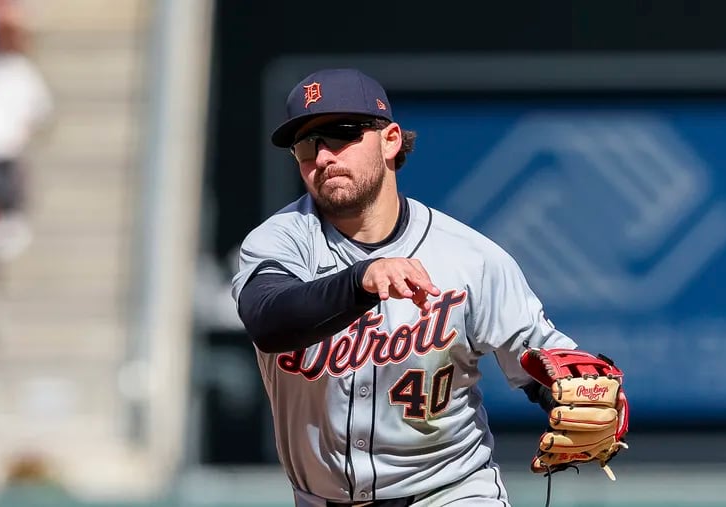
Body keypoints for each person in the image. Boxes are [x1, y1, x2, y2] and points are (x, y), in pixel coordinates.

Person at [231, 68, 582, 507]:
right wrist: (360, 280)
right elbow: (269, 320)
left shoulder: (470, 258)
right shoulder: (279, 241)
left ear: (390, 139)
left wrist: (577, 391)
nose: (322, 157)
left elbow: (549, 363)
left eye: (340, 135)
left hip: (450, 492)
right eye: (306, 145)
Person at [0, 0, 53, 262]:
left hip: (7, 152)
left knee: (9, 200)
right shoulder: (21, 72)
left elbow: (38, 111)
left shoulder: (21, 72)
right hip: (7, 150)